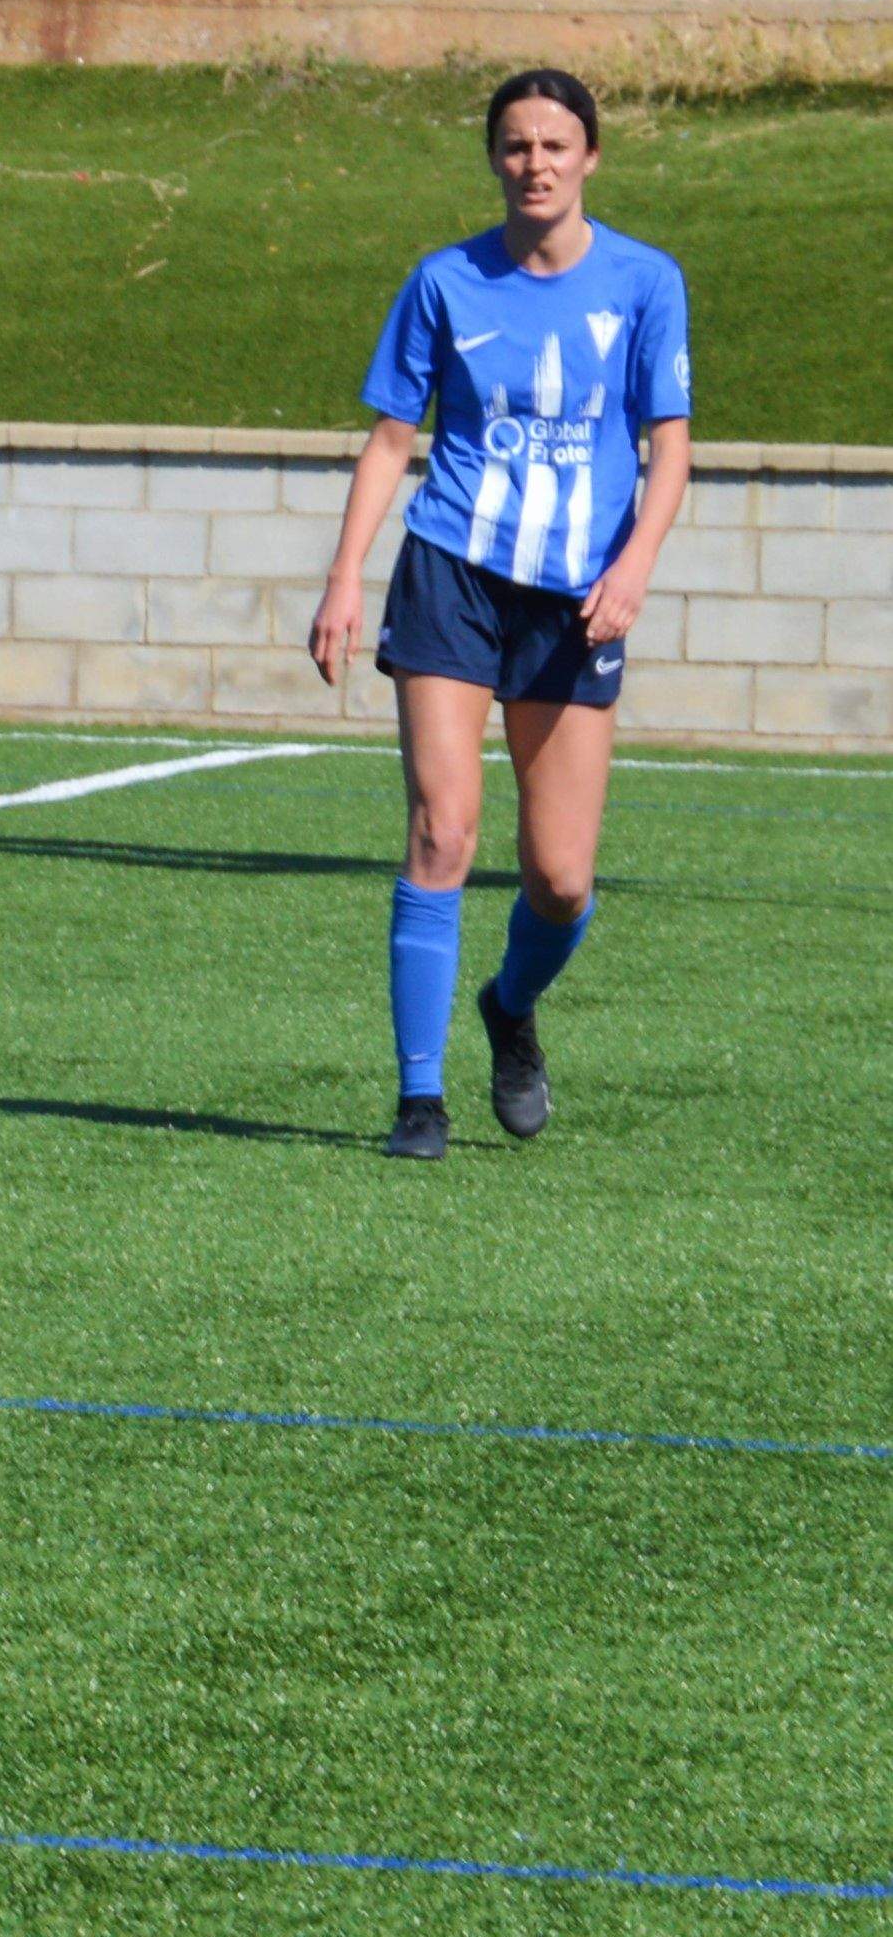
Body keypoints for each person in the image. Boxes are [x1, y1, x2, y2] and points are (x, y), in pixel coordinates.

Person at [309, 66, 691, 1161]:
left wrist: (635, 565)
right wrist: (344, 576)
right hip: (452, 570)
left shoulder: (645, 282)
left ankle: (509, 1007)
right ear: (494, 159)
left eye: (554, 145)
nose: (534, 163)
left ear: (589, 158)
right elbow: (391, 439)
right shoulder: (441, 280)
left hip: (577, 595)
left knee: (561, 878)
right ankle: (417, 1099)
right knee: (441, 828)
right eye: (515, 145)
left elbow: (669, 447)